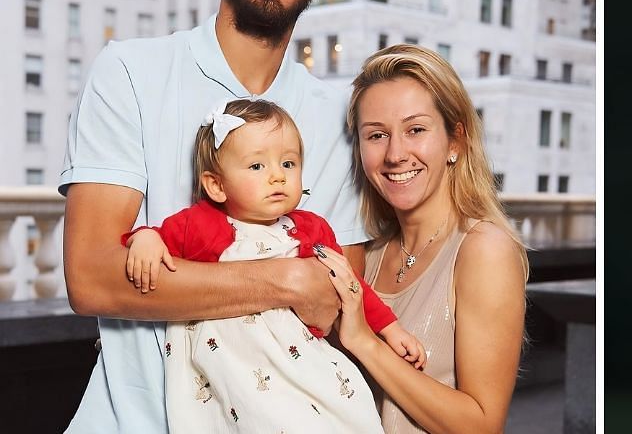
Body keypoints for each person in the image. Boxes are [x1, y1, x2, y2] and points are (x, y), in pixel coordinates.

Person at [60, 0, 361, 432]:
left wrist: (173, 283)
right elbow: (93, 275)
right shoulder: (129, 71)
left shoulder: (337, 118)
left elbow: (332, 307)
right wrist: (283, 279)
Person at [122, 99, 425, 432]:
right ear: (217, 185)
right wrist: (146, 238)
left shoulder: (311, 229)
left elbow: (350, 282)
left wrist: (389, 329)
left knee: (345, 410)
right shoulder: (199, 224)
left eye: (288, 163)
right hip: (233, 364)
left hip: (299, 359)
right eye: (257, 167)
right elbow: (154, 240)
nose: (277, 177)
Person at [314, 45, 529, 433]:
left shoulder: (484, 250)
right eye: (377, 135)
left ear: (455, 141)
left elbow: (482, 425)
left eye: (415, 130)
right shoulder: (369, 254)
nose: (396, 154)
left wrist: (367, 343)